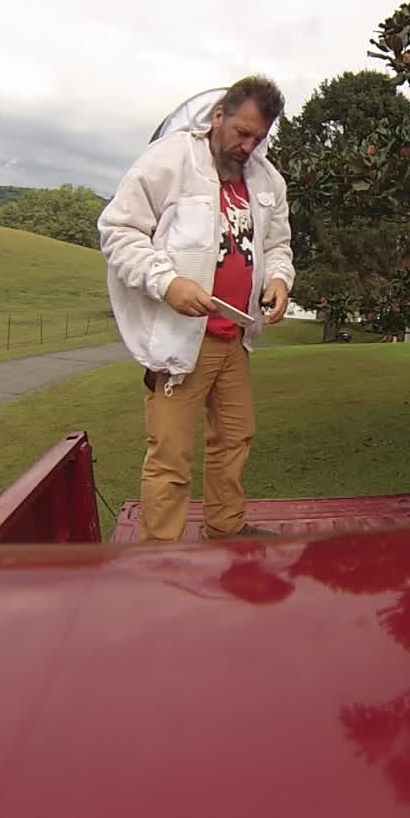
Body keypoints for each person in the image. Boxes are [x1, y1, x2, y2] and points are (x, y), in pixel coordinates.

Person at [98, 76, 294, 541]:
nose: (247, 146)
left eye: (258, 138)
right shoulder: (169, 159)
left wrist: (280, 280)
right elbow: (118, 232)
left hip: (234, 340)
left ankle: (225, 530)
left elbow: (278, 243)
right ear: (218, 117)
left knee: (235, 439)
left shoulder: (268, 180)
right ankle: (158, 555)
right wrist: (167, 284)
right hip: (181, 342)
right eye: (241, 132)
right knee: (170, 457)